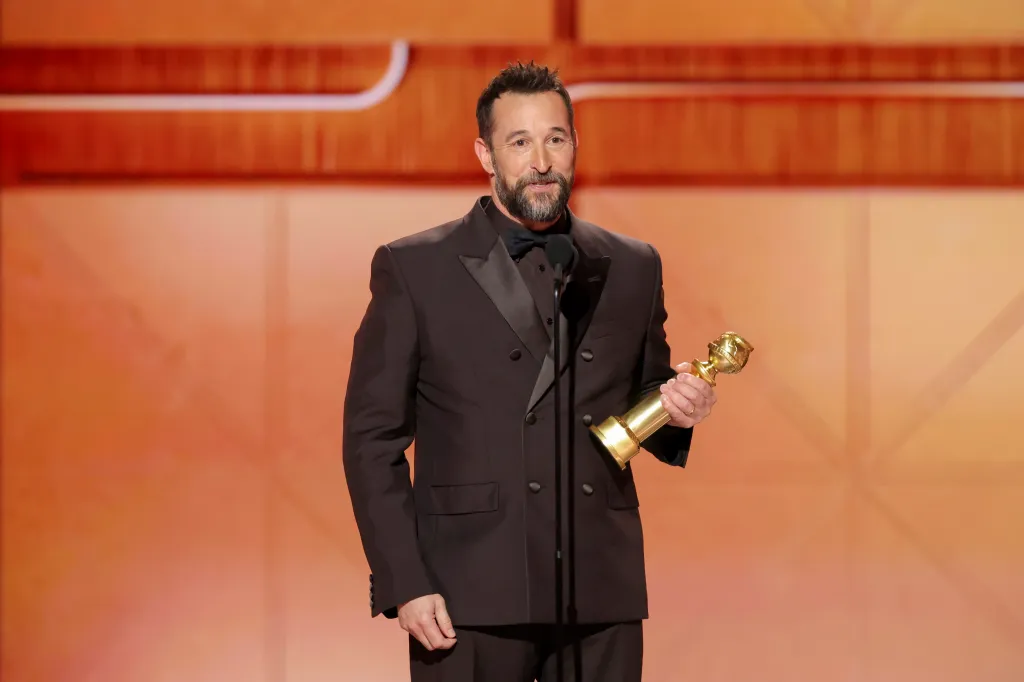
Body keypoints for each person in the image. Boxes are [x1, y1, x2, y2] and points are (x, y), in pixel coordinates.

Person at [342, 61, 718, 682]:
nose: (541, 160)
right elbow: (371, 439)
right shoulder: (415, 268)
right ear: (486, 155)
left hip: (599, 588)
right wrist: (405, 581)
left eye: (556, 139)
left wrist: (679, 409)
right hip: (466, 592)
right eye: (519, 142)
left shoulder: (632, 265)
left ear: (574, 145)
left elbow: (644, 396)